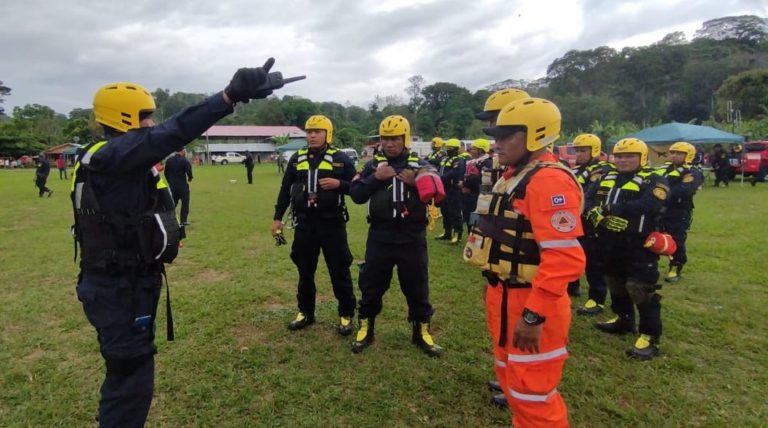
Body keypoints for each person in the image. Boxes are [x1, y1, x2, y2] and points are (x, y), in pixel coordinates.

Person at [72, 59, 281, 427]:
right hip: (120, 288)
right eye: (145, 116)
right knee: (130, 382)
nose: (152, 122)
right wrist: (228, 97)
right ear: (123, 119)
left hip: (120, 282)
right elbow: (172, 133)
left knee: (127, 375)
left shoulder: (107, 158)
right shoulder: (115, 157)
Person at [467, 97, 585, 426]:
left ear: (534, 135)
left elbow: (563, 258)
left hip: (530, 302)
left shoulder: (548, 180)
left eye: (507, 136)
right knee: (513, 383)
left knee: (532, 394)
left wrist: (534, 315)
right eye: (496, 135)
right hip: (504, 295)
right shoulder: (518, 174)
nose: (497, 143)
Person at [349, 115, 442, 357]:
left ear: (405, 139)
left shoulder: (421, 165)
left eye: (395, 139)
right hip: (380, 235)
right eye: (385, 139)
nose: (389, 144)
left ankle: (421, 331)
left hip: (412, 236)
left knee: (417, 285)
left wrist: (415, 183)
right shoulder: (372, 166)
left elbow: (438, 195)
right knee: (371, 284)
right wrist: (375, 178)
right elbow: (356, 195)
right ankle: (366, 327)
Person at [271, 115, 357, 335]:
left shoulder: (340, 159)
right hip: (305, 223)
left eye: (317, 131)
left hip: (332, 224)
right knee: (305, 271)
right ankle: (305, 312)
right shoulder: (296, 158)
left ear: (327, 134)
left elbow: (358, 188)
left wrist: (340, 184)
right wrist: (277, 217)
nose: (312, 135)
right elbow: (285, 189)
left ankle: (346, 313)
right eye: (309, 132)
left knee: (339, 270)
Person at [586, 138, 669, 361]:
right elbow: (587, 198)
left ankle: (650, 336)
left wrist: (613, 209)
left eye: (629, 156)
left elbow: (651, 204)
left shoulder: (655, 179)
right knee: (615, 282)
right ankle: (623, 319)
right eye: (619, 156)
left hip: (640, 244)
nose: (623, 160)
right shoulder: (606, 177)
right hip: (609, 241)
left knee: (640, 288)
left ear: (641, 157)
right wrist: (595, 214)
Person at [473, 87, 531, 409]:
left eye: (500, 123)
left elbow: (559, 254)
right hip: (504, 274)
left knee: (532, 376)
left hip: (526, 284)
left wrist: (535, 314)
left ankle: (518, 387)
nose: (495, 131)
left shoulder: (540, 176)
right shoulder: (512, 169)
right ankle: (510, 383)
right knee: (503, 337)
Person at [570, 134, 613, 313]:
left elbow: (591, 195)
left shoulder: (601, 170)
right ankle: (572, 286)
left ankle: (597, 299)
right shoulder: (577, 169)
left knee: (594, 262)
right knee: (571, 254)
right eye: (577, 150)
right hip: (574, 219)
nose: (578, 154)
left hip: (591, 221)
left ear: (594, 150)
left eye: (583, 150)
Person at [657, 142, 701, 283]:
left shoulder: (692, 172)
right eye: (673, 152)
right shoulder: (663, 170)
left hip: (678, 211)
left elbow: (685, 190)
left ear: (688, 155)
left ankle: (675, 267)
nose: (674, 155)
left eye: (679, 153)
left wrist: (661, 193)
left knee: (677, 239)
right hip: (658, 209)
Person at [436, 138, 466, 244]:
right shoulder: (444, 159)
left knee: (455, 212)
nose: (448, 150)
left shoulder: (458, 159)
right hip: (443, 188)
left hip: (453, 189)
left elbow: (455, 172)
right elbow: (438, 169)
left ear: (456, 149)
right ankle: (446, 232)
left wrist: (441, 178)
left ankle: (457, 235)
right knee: (445, 211)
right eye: (447, 147)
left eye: (450, 148)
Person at [460, 138, 492, 235]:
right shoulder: (472, 161)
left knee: (476, 219)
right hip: (468, 196)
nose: (470, 150)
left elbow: (481, 178)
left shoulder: (487, 162)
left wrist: (465, 184)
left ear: (481, 150)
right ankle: (471, 235)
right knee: (468, 217)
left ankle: (475, 237)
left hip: (477, 196)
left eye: (473, 149)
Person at [164, 148, 194, 226]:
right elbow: (189, 171)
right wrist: (190, 178)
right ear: (182, 151)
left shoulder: (169, 160)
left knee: (172, 203)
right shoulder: (184, 160)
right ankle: (183, 221)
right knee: (185, 203)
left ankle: (169, 219)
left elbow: (166, 172)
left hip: (172, 186)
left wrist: (169, 181)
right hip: (182, 186)